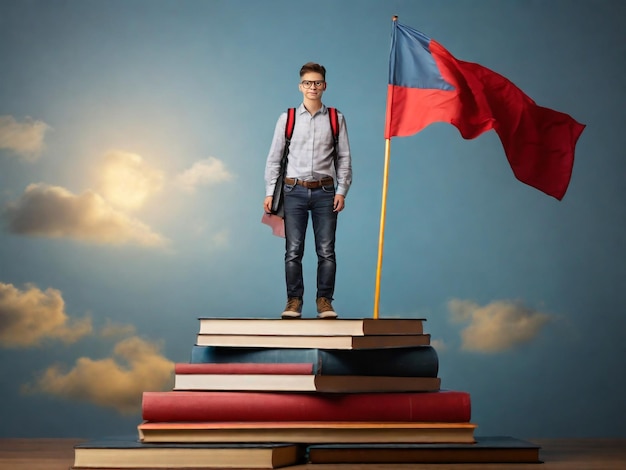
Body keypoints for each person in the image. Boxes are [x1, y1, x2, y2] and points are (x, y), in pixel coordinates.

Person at [264, 62, 352, 319]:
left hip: (326, 191)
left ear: (324, 86)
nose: (312, 87)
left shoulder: (336, 118)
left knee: (326, 250)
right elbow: (274, 157)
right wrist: (270, 192)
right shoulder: (287, 118)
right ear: (300, 86)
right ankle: (294, 301)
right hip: (293, 191)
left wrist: (342, 190)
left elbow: (344, 158)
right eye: (308, 83)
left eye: (317, 82)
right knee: (293, 251)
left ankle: (324, 301)